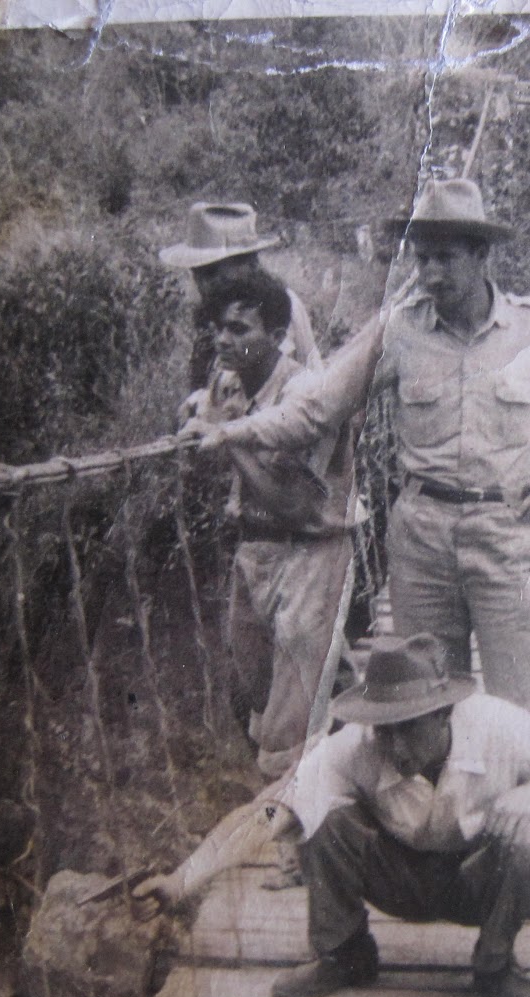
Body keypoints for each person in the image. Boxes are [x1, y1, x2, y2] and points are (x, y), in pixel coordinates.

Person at [137, 633, 530, 997]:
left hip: (482, 881)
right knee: (320, 818)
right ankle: (344, 954)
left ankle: (495, 965)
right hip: (398, 878)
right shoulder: (352, 748)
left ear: (443, 715)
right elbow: (265, 813)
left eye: (409, 728)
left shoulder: (503, 726)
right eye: (384, 729)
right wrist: (183, 879)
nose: (393, 746)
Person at [372, 178, 530, 725]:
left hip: (506, 536)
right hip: (420, 538)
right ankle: (441, 810)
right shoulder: (399, 333)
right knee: (424, 699)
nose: (430, 274)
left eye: (446, 259)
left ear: (481, 256)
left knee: (520, 702)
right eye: (422, 258)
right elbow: (333, 402)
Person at [177, 270, 360, 777]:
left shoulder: (307, 398)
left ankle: (289, 826)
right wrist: (199, 421)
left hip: (311, 550)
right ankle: (359, 767)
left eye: (239, 329)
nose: (222, 340)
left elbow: (295, 503)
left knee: (287, 719)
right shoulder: (229, 382)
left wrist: (228, 438)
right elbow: (209, 438)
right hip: (255, 550)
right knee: (262, 685)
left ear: (279, 335)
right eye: (218, 328)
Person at [161, 202, 323, 389]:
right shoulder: (214, 309)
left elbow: (273, 383)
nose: (204, 283)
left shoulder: (275, 305)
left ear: (249, 264)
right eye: (197, 273)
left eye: (213, 272)